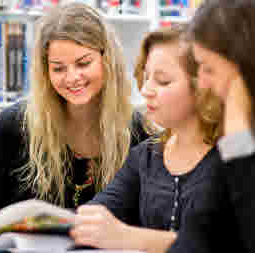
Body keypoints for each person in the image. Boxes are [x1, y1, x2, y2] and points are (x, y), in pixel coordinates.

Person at [0, 2, 148, 222]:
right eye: (58, 68)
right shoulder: (13, 125)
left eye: (83, 64)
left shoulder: (139, 133)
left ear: (107, 60)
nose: (72, 78)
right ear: (45, 72)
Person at [69, 24, 225, 253]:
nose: (145, 90)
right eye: (146, 76)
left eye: (162, 81)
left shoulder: (236, 159)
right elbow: (99, 210)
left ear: (204, 89)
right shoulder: (146, 155)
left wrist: (129, 237)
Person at [167, 0, 255, 252]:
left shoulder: (239, 138)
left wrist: (239, 139)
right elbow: (201, 228)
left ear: (244, 66)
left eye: (208, 69)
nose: (202, 83)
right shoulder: (234, 135)